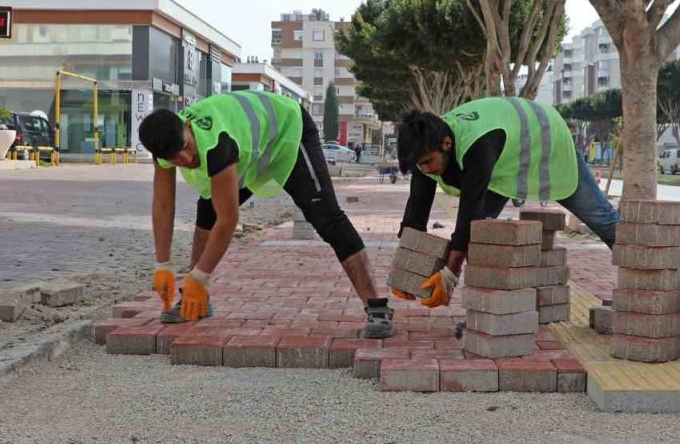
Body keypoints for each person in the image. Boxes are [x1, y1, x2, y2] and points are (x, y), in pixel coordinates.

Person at [139, 90, 394, 338]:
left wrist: (199, 275)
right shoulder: (164, 141)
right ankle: (196, 300)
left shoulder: (217, 142)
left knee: (326, 217)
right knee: (208, 212)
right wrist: (163, 265)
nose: (185, 159)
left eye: (185, 147)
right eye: (174, 158)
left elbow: (229, 220)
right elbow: (162, 205)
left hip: (287, 132)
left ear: (187, 127)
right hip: (253, 149)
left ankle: (377, 307)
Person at [395, 97, 620, 309]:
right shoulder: (426, 148)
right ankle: (491, 309)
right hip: (505, 163)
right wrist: (406, 267)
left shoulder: (477, 142)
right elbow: (417, 208)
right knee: (482, 238)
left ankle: (642, 283)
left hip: (547, 144)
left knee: (601, 218)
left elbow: (468, 212)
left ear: (447, 143)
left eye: (427, 163)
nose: (424, 170)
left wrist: (449, 275)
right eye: (419, 166)